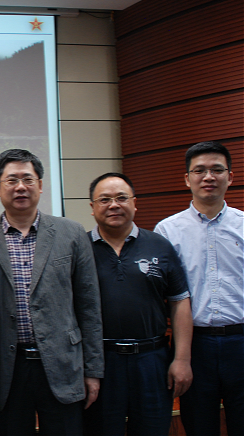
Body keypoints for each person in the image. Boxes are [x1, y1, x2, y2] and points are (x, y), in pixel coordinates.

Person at [0, 148, 104, 436]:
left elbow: (89, 307)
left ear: (41, 185)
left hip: (63, 365)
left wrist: (93, 371)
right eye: (12, 180)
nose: (20, 187)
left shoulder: (71, 233)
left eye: (28, 179)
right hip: (7, 369)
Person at [84, 172, 193, 436]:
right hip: (101, 363)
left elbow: (180, 302)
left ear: (135, 203)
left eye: (121, 198)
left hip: (151, 360)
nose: (113, 205)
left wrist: (181, 359)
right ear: (92, 207)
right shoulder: (79, 249)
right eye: (104, 199)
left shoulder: (160, 245)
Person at [155, 141, 243, 436]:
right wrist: (180, 357)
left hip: (241, 341)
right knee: (198, 426)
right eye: (199, 170)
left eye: (217, 170)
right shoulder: (167, 231)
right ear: (187, 178)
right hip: (194, 346)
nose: (208, 177)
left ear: (230, 177)